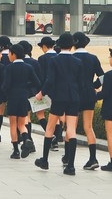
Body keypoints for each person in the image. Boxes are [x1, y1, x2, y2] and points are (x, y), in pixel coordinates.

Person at [33, 32, 84, 176]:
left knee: (50, 128)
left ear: (59, 45)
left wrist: (41, 93)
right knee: (71, 130)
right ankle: (71, 166)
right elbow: (81, 84)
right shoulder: (78, 62)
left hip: (59, 98)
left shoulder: (54, 61)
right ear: (72, 45)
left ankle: (44, 160)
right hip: (73, 98)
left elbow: (50, 81)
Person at [1, 43, 41, 159]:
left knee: (13, 124)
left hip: (13, 97)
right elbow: (37, 83)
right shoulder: (29, 67)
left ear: (13, 54)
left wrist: (5, 91)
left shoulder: (9, 67)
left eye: (9, 53)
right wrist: (26, 86)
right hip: (24, 96)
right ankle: (26, 139)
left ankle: (15, 151)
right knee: (22, 123)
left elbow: (6, 85)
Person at [73, 31, 104, 170]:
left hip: (74, 95)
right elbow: (103, 77)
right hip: (89, 94)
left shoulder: (72, 58)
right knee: (88, 127)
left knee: (71, 127)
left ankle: (68, 158)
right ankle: (93, 158)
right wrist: (93, 86)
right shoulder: (93, 58)